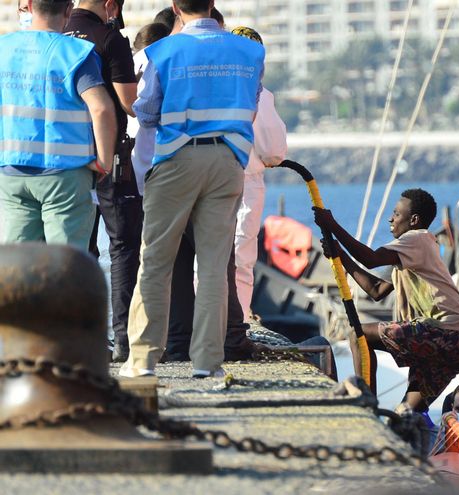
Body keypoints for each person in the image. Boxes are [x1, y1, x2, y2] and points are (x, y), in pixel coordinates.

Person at [121, 0, 265, 379]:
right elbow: (251, 105)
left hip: (177, 157)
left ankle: (142, 361)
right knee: (216, 266)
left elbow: (147, 112)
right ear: (213, 4)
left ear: (174, 6)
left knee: (155, 261)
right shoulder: (250, 50)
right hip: (229, 161)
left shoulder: (162, 50)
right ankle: (207, 363)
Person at [313, 189, 459, 412]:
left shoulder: (416, 238)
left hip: (446, 333)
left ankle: (365, 405)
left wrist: (331, 224)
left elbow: (370, 259)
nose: (391, 219)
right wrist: (341, 256)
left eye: (396, 214)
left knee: (358, 335)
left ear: (414, 220)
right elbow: (377, 290)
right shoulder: (413, 252)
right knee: (407, 413)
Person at [0, 0, 116, 251]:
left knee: (17, 269)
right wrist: (104, 162)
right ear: (68, 10)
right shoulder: (77, 53)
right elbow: (101, 108)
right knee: (65, 268)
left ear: (29, 6)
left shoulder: (3, 48)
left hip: (12, 170)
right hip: (65, 175)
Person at [64, 0, 144, 363]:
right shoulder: (111, 39)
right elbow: (129, 102)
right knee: (123, 245)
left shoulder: (58, 36)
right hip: (108, 155)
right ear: (111, 6)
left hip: (65, 155)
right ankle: (124, 341)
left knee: (78, 246)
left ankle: (84, 338)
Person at [229, 26, 288, 319]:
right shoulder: (260, 94)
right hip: (246, 182)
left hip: (202, 174)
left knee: (205, 255)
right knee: (242, 256)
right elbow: (274, 150)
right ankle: (238, 319)